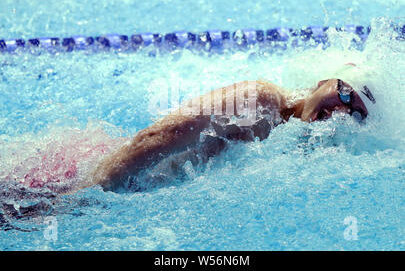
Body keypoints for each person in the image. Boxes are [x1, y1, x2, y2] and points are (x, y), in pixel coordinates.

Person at [82, 64, 376, 192]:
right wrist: (84, 195)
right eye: (345, 92)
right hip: (90, 174)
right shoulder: (260, 100)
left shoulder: (307, 148)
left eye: (355, 111)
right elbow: (157, 137)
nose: (340, 109)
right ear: (323, 81)